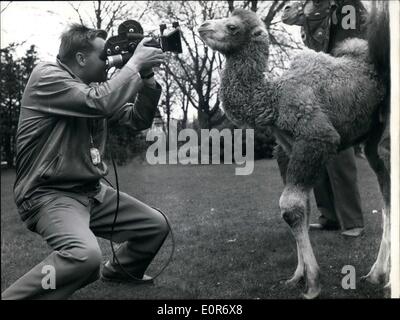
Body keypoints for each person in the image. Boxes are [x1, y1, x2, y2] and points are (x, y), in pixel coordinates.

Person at [2, 24, 169, 300]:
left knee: (155, 225)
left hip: (90, 192)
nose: (110, 61)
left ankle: (120, 271)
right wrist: (135, 63)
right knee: (84, 257)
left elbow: (137, 119)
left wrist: (147, 78)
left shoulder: (91, 90)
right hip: (49, 194)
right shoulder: (47, 77)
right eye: (104, 56)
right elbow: (98, 103)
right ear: (80, 58)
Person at [282, 0, 368, 237]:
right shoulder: (313, 5)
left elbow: (353, 45)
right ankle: (329, 216)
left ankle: (352, 221)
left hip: (343, 79)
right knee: (315, 145)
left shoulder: (346, 4)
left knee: (339, 147)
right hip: (321, 78)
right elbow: (288, 17)